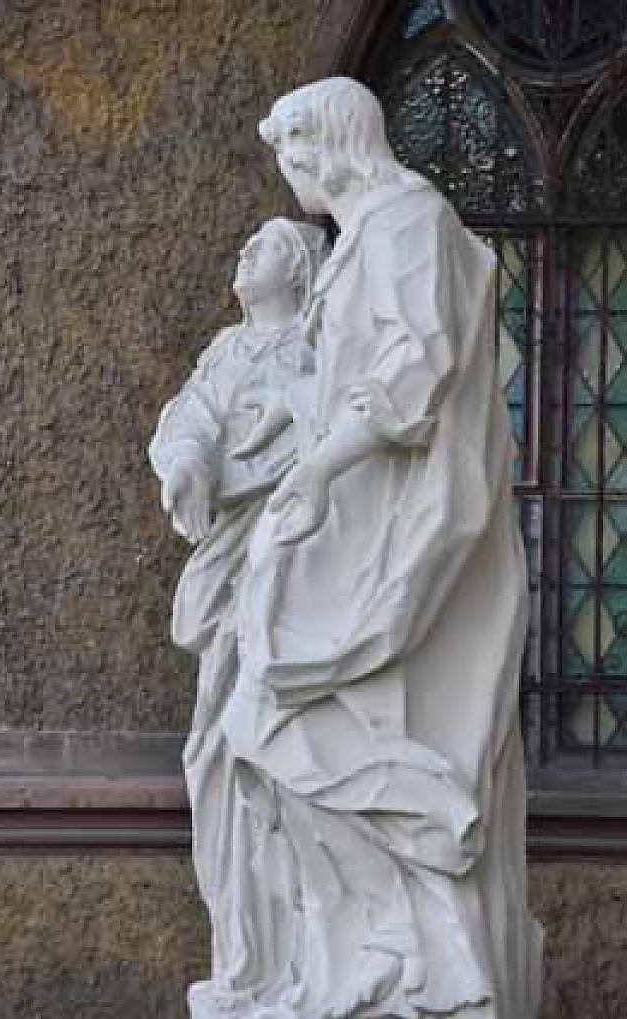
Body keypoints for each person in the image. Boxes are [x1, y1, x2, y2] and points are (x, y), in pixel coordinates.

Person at [213, 78, 542, 1019]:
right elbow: (349, 376)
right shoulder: (366, 238)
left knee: (295, 713)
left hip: (393, 526)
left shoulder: (407, 223)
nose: (287, 178)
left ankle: (425, 953)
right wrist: (293, 424)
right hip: (346, 513)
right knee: (271, 720)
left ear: (325, 148)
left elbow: (415, 370)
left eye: (289, 157)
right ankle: (362, 953)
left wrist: (318, 470)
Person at [149, 216, 329, 1014]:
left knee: (283, 747)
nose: (242, 252)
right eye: (243, 242)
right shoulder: (226, 350)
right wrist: (188, 459)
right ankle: (247, 956)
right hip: (229, 566)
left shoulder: (318, 347)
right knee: (216, 752)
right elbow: (187, 419)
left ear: (297, 271)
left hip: (295, 565)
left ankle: (310, 955)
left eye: (261, 246)